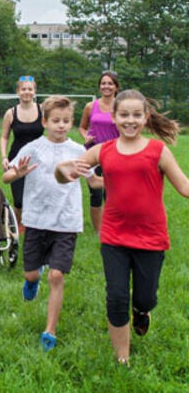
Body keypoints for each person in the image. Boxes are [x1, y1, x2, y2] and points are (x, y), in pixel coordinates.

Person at [56, 89, 186, 365]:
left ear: (145, 117)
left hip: (151, 238)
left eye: (136, 115)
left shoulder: (157, 151)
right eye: (124, 115)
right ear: (113, 117)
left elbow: (184, 187)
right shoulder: (103, 150)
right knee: (116, 297)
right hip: (114, 237)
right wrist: (62, 171)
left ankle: (142, 310)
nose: (130, 120)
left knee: (145, 296)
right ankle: (122, 359)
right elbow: (69, 173)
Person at [2, 95, 101, 352]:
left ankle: (50, 330)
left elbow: (94, 182)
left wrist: (124, 177)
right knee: (31, 272)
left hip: (66, 221)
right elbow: (6, 176)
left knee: (57, 275)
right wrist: (17, 173)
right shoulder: (33, 148)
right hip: (36, 220)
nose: (61, 125)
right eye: (56, 120)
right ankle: (33, 280)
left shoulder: (80, 151)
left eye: (66, 121)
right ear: (44, 121)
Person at [78, 71, 120, 233]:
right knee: (95, 194)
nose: (106, 86)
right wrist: (85, 136)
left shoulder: (120, 106)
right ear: (99, 86)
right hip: (93, 154)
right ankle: (98, 231)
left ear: (116, 87)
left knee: (112, 194)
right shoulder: (91, 106)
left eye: (110, 83)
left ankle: (112, 228)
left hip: (115, 154)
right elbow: (82, 127)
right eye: (103, 83)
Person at [0, 76, 43, 229]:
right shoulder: (10, 113)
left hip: (39, 160)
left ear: (34, 91)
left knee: (37, 195)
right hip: (17, 159)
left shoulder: (43, 110)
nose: (27, 92)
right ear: (18, 91)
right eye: (23, 89)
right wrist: (4, 157)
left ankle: (36, 224)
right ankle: (19, 225)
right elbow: (4, 137)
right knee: (19, 199)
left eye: (30, 89)